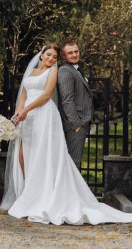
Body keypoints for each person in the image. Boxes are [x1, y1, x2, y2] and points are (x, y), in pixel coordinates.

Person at [0, 43, 132, 225]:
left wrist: (27, 109)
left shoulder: (54, 72)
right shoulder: (30, 73)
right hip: (27, 118)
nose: (51, 59)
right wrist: (18, 114)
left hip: (43, 115)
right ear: (41, 55)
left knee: (42, 155)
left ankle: (44, 196)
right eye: (49, 55)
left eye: (54, 57)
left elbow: (45, 95)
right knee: (23, 154)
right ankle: (30, 193)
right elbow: (23, 96)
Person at [57, 41, 93, 170]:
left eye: (76, 51)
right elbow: (67, 100)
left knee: (73, 162)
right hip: (74, 125)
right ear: (63, 56)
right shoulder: (65, 71)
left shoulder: (75, 70)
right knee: (73, 163)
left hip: (80, 122)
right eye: (70, 53)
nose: (74, 54)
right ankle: (69, 190)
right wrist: (76, 124)